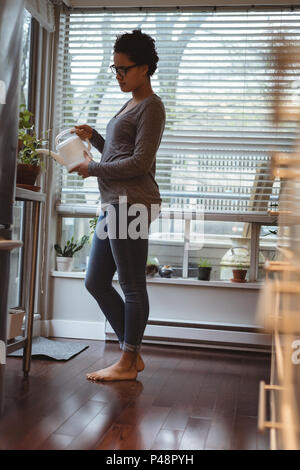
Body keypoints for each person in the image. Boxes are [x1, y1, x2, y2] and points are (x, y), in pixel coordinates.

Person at [70, 29, 166, 382]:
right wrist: (93, 137)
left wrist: (91, 168)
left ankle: (128, 359)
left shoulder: (152, 107)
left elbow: (140, 163)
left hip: (133, 205)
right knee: (96, 280)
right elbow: (119, 152)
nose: (118, 76)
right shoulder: (129, 104)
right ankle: (131, 351)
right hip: (114, 204)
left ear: (144, 68)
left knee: (131, 284)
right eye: (115, 69)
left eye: (123, 69)